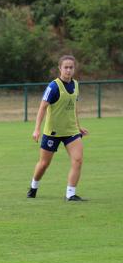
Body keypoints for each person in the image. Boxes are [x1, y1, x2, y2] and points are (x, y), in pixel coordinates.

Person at [27, 55, 89, 202]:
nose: (68, 70)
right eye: (65, 67)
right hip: (53, 132)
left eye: (71, 67)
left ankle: (70, 194)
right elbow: (42, 108)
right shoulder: (53, 87)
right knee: (44, 164)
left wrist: (78, 127)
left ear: (74, 69)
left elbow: (73, 108)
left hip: (71, 131)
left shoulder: (76, 85)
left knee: (78, 160)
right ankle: (33, 186)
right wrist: (37, 129)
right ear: (60, 68)